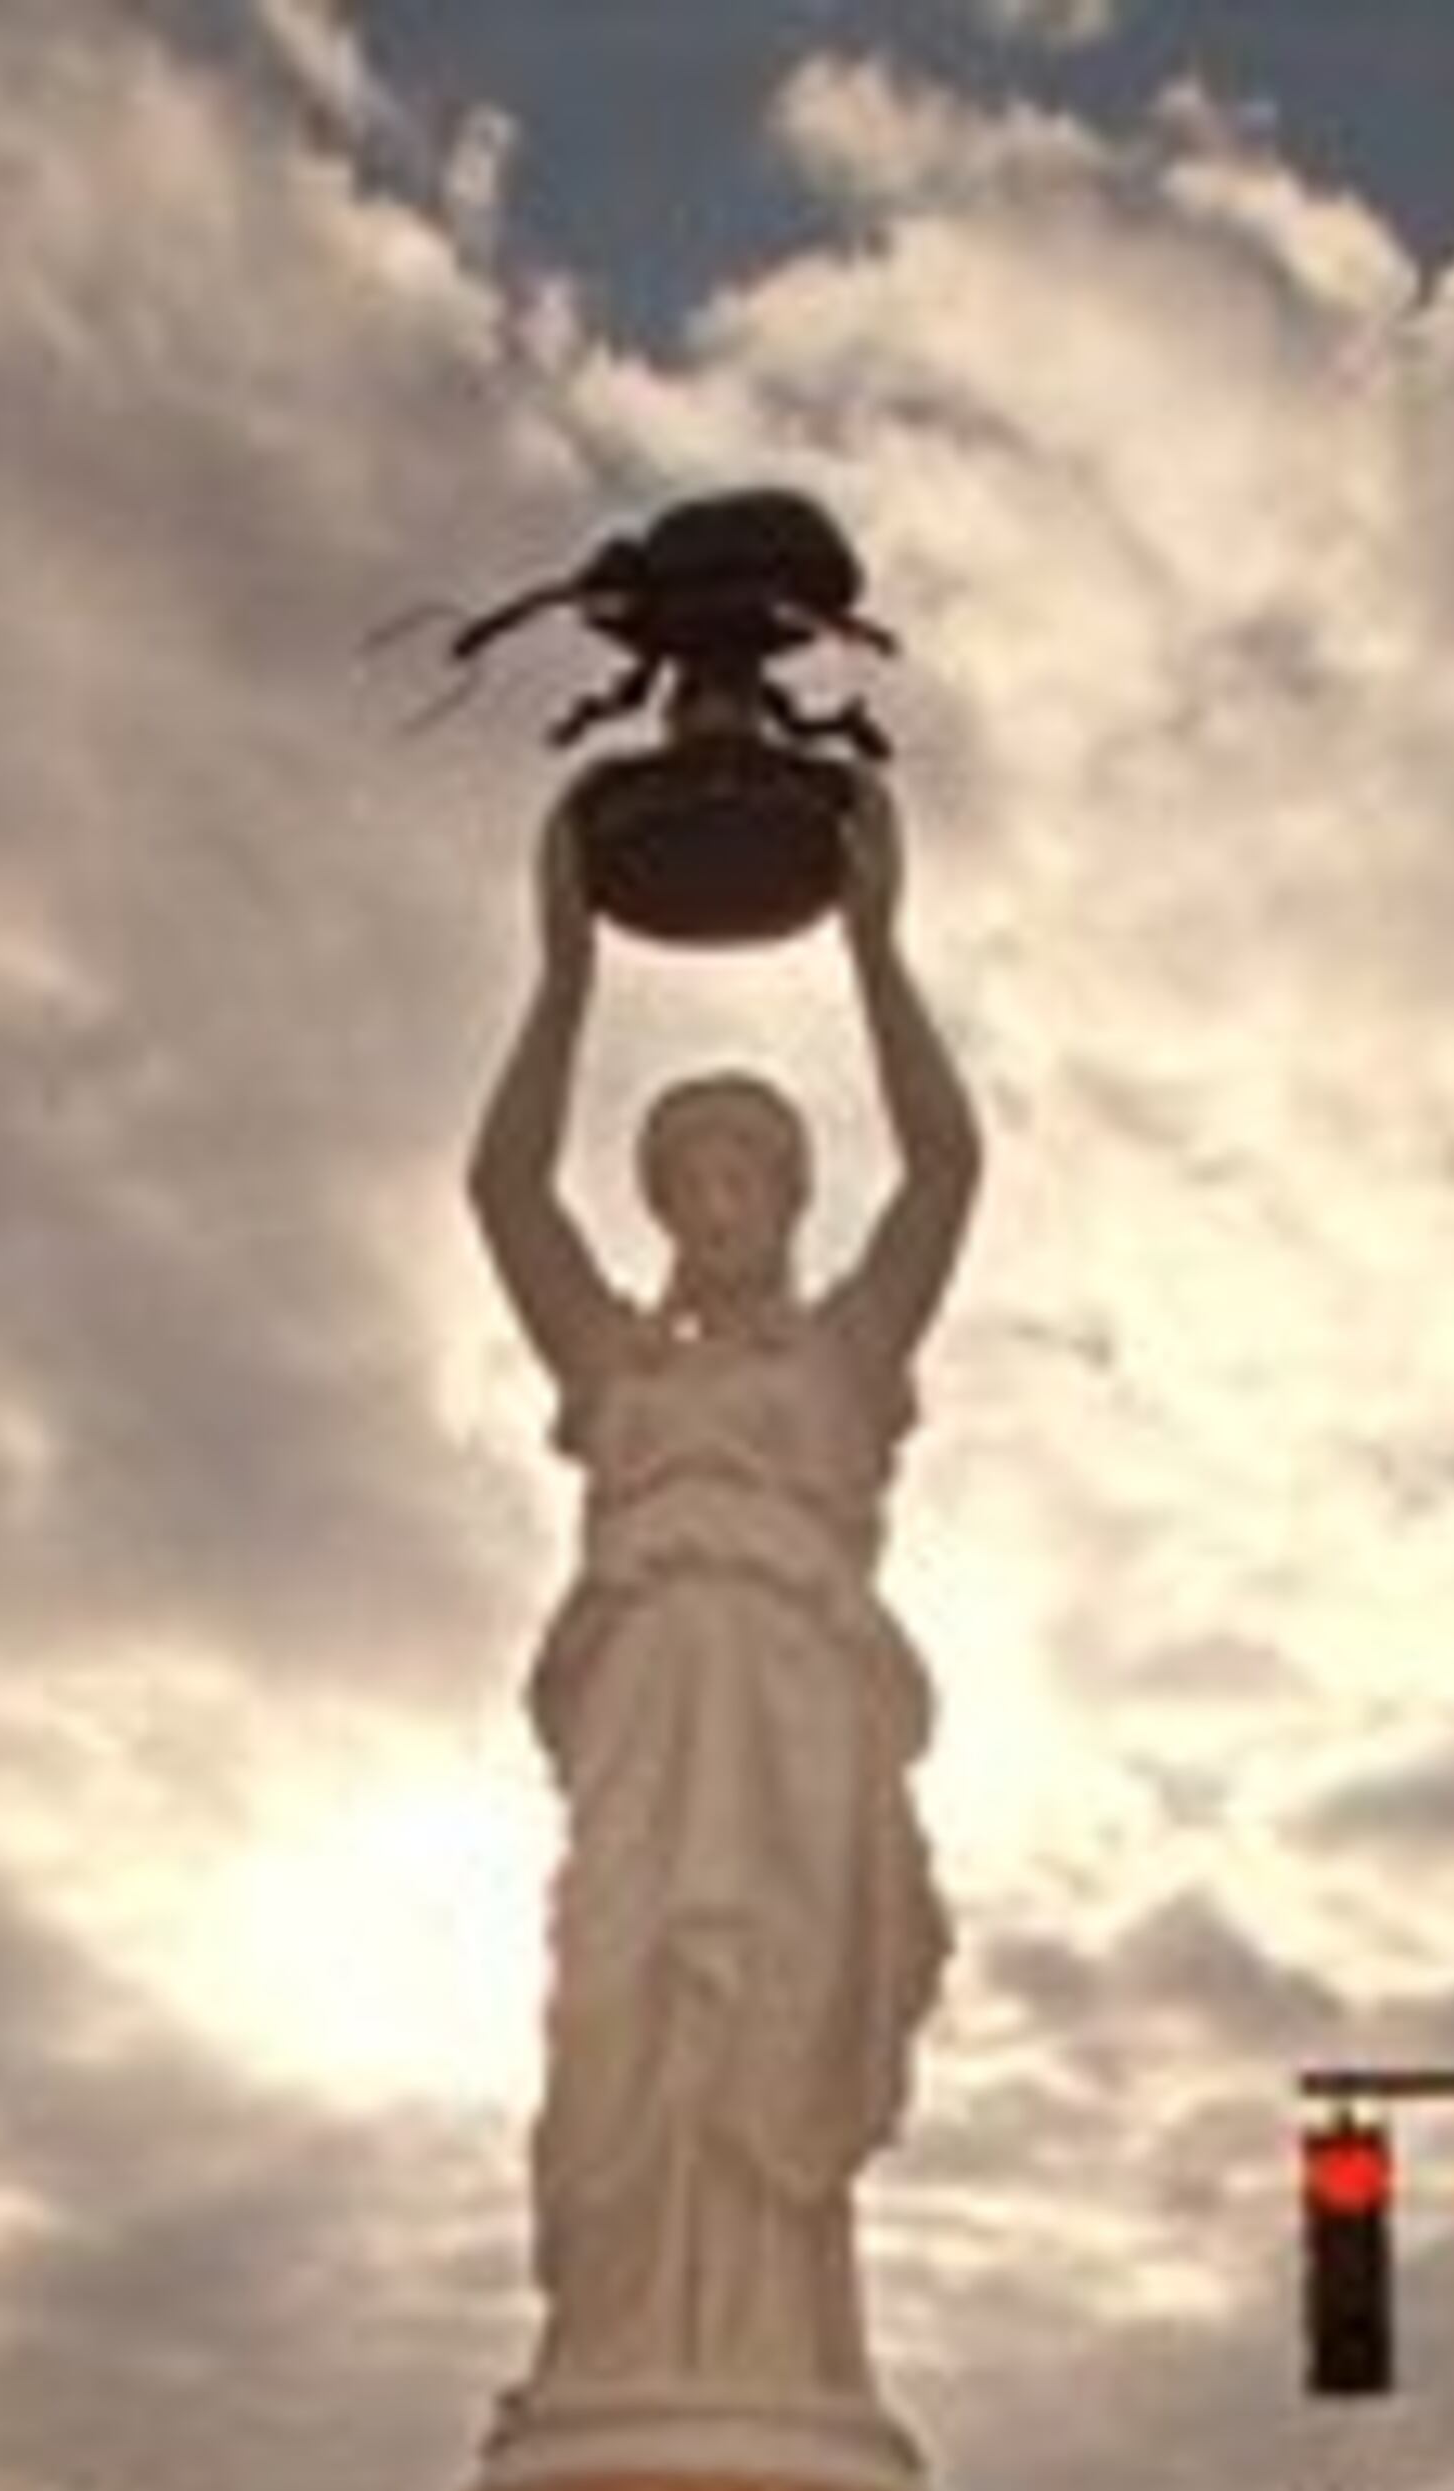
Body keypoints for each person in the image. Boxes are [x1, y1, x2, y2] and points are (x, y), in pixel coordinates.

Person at [468, 765, 982, 2407]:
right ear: (667, 1207)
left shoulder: (845, 1355)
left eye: (749, 1176)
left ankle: (780, 2376)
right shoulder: (613, 1363)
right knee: (620, 2006)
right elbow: (501, 1197)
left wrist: (879, 954)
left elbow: (951, 1172)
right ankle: (616, 2364)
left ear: (787, 1199)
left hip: (797, 1715)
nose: (720, 1203)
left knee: (768, 2006)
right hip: (642, 1702)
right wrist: (562, 976)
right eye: (691, 1180)